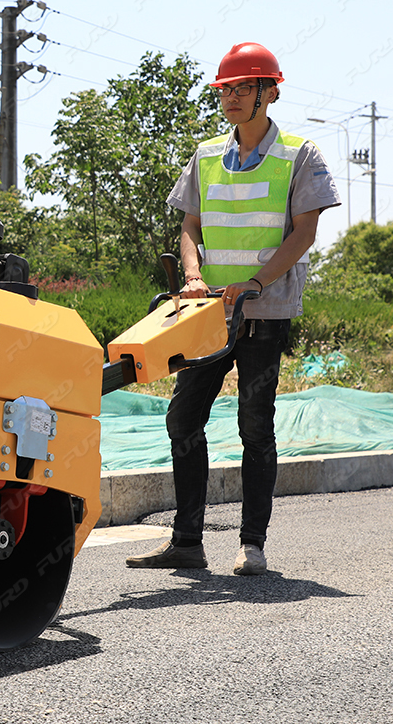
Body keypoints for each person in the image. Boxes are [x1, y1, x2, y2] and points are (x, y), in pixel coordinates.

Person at [126, 42, 341, 575]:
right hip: (207, 316)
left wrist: (256, 281)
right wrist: (194, 276)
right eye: (226, 89)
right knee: (182, 419)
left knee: (254, 426)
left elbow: (305, 230)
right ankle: (186, 542)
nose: (232, 97)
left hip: (264, 314)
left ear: (270, 92)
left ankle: (252, 543)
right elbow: (189, 225)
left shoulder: (299, 154)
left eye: (244, 87)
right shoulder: (204, 156)